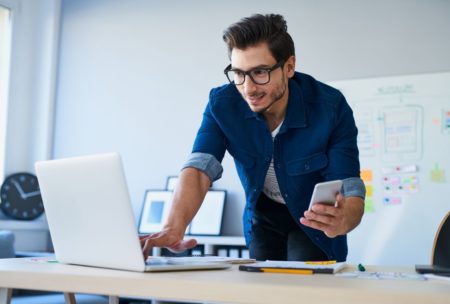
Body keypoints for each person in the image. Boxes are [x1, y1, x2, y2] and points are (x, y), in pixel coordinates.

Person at [141, 13, 365, 262]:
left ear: (289, 67)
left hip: (312, 218)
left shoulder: (330, 106)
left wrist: (348, 217)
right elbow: (200, 167)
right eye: (238, 73)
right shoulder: (222, 104)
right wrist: (174, 227)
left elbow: (349, 183)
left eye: (260, 72)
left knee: (306, 289)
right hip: (264, 215)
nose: (248, 88)